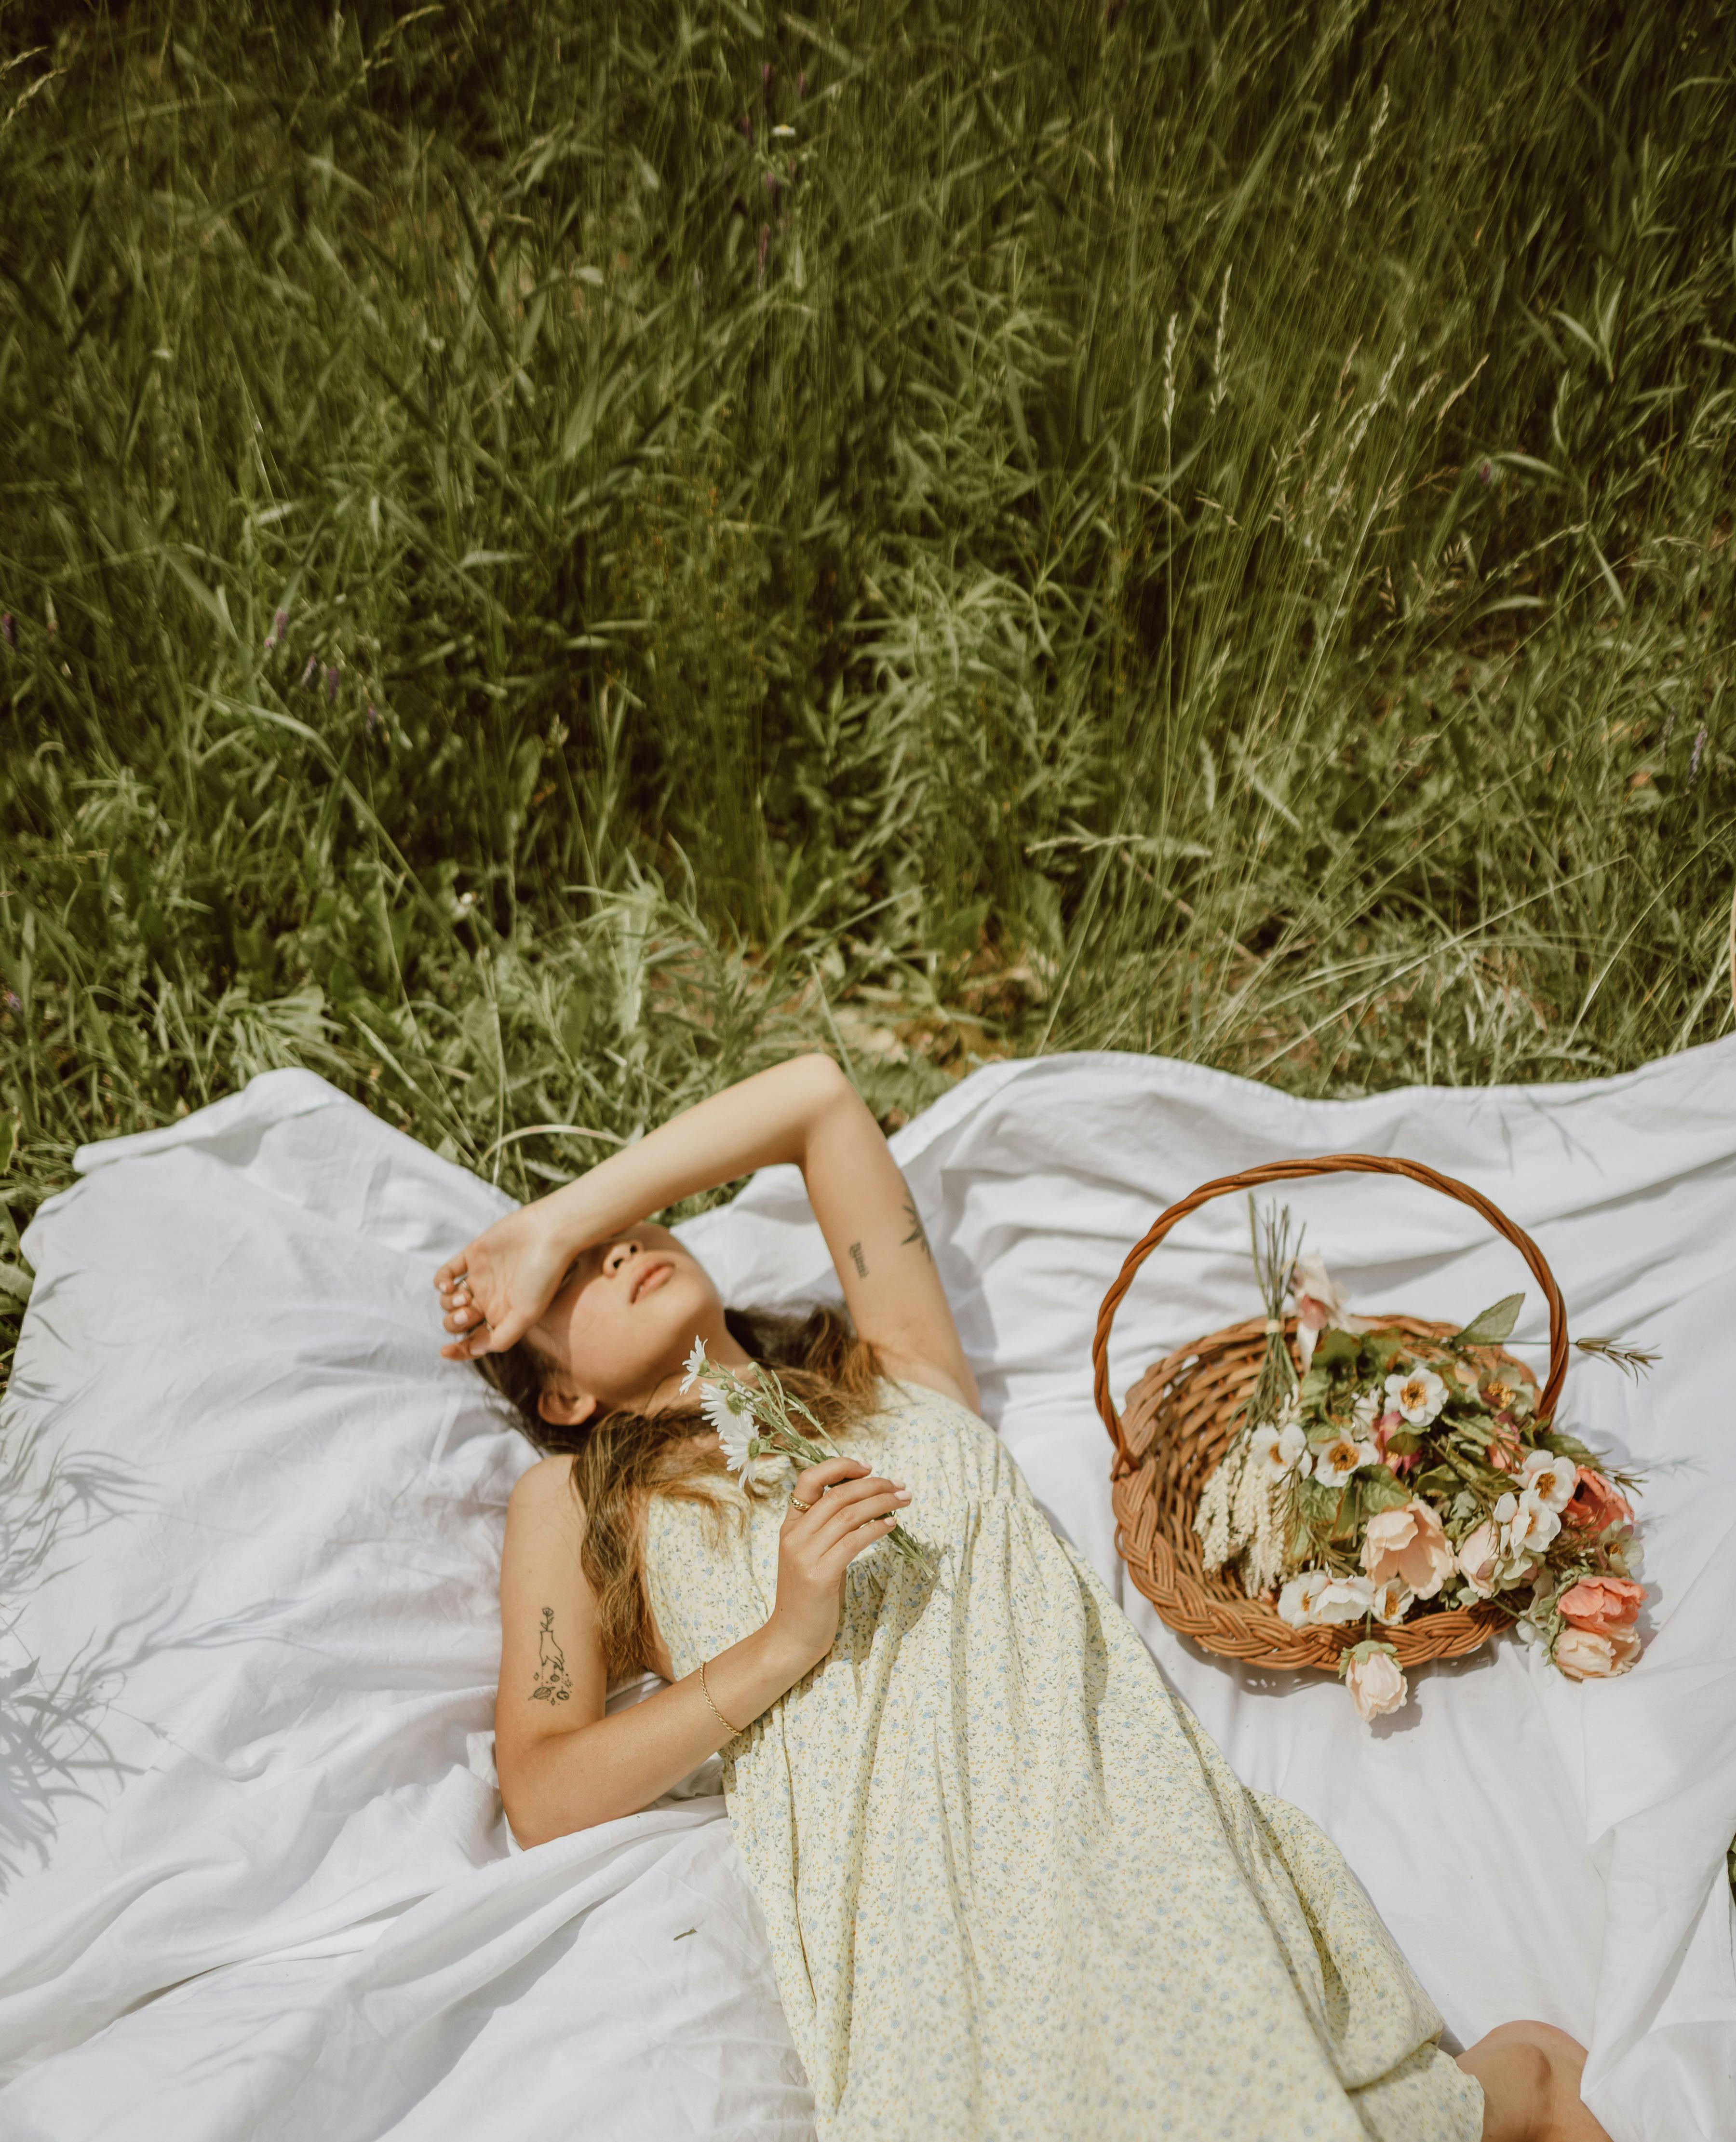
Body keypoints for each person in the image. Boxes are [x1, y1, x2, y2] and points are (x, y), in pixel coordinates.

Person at [435, 1054, 1611, 2142]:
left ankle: (1522, 2095)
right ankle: (1515, 2095)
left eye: (623, 1231)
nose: (620, 1250)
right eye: (577, 1280)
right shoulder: (578, 1498)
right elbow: (544, 1790)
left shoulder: (895, 1365)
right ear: (562, 1396)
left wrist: (550, 1229)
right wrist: (783, 1640)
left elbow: (816, 1098)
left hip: (1103, 1795)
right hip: (901, 1893)